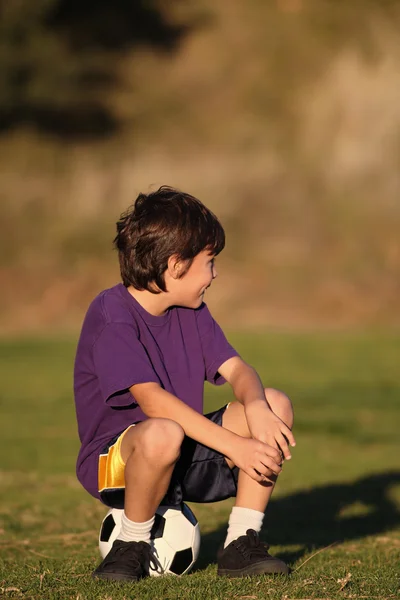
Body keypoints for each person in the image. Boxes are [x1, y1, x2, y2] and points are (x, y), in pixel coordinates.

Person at [74, 186, 295, 582]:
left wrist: (258, 408)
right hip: (116, 464)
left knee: (275, 402)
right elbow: (152, 402)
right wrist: (235, 447)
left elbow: (240, 371)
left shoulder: (193, 313)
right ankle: (131, 545)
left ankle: (240, 545)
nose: (215, 273)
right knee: (162, 432)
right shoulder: (111, 315)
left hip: (180, 448)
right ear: (176, 265)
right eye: (209, 261)